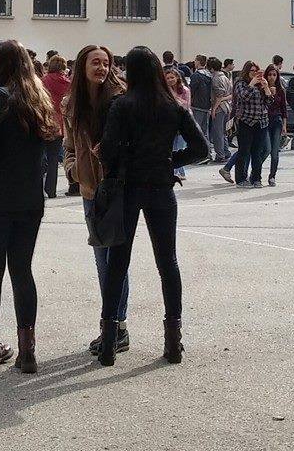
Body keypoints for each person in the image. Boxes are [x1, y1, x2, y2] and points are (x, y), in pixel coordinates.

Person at [96, 47, 209, 367]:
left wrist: (118, 158)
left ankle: (108, 342)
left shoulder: (122, 105)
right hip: (161, 187)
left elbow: (106, 150)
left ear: (129, 73)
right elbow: (201, 148)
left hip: (128, 188)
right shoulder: (173, 106)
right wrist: (172, 161)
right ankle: (173, 341)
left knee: (118, 262)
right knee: (168, 263)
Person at [0, 40, 57, 375]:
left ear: (3, 65)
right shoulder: (36, 96)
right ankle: (27, 351)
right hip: (29, 197)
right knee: (22, 271)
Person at [63, 44, 129, 355]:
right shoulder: (72, 103)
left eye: (106, 63)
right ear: (82, 67)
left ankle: (117, 326)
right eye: (95, 63)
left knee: (114, 261)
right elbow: (68, 146)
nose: (101, 68)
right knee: (101, 261)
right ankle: (113, 325)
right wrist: (73, 169)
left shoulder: (120, 99)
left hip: (117, 190)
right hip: (90, 191)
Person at [229, 61, 272, 187]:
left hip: (261, 122)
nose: (254, 73)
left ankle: (256, 178)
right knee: (244, 151)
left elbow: (269, 102)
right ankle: (241, 178)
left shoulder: (261, 84)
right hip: (246, 121)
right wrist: (252, 84)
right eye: (252, 71)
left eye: (257, 71)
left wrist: (266, 87)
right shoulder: (240, 83)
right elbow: (243, 97)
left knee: (257, 152)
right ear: (247, 71)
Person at [41, 55, 71, 199]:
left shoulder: (43, 81)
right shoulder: (67, 83)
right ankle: (51, 190)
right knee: (54, 158)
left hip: (44, 121)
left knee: (39, 155)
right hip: (59, 124)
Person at [188, 54, 215, 161]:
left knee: (197, 132)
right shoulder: (209, 75)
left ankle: (201, 155)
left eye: (195, 60)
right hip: (206, 106)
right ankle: (208, 153)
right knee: (205, 132)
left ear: (198, 62)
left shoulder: (196, 76)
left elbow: (191, 91)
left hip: (197, 106)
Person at [264, 63, 287, 186]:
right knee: (266, 149)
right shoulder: (262, 88)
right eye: (270, 74)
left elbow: (284, 109)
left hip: (277, 121)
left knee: (275, 152)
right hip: (265, 121)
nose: (272, 77)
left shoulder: (281, 90)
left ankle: (272, 176)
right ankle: (256, 172)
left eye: (274, 75)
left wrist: (284, 125)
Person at [208, 57, 233, 163]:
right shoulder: (225, 77)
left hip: (219, 108)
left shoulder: (216, 79)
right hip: (227, 107)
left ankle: (220, 155)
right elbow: (230, 94)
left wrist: (213, 109)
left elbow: (219, 95)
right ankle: (226, 152)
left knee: (217, 133)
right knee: (223, 132)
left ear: (212, 68)